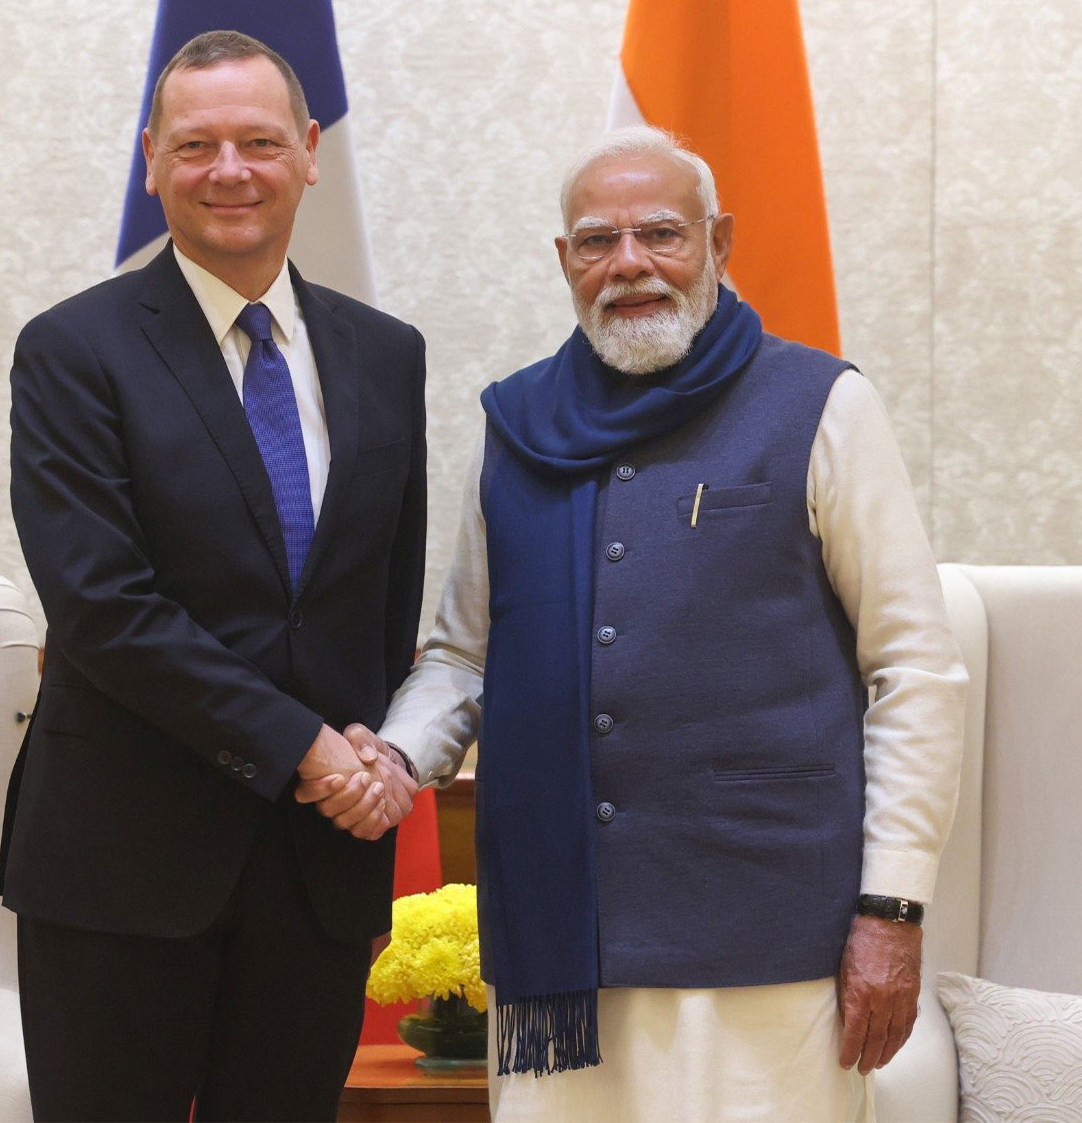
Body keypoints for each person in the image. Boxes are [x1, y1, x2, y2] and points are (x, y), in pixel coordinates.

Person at [301, 126, 966, 1122]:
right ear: (563, 260)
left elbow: (913, 666)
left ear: (718, 242)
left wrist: (892, 908)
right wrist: (397, 757)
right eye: (597, 241)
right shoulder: (516, 424)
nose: (629, 264)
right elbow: (464, 654)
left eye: (660, 233)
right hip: (562, 935)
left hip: (769, 925)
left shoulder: (823, 404)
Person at [0, 29, 423, 1122]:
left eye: (258, 142)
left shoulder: (387, 354)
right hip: (122, 863)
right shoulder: (73, 350)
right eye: (195, 145)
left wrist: (375, 750)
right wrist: (307, 748)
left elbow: (382, 598)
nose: (229, 170)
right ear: (151, 160)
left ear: (309, 151)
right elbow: (102, 606)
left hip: (317, 869)